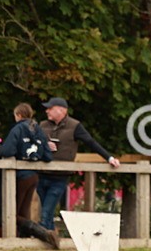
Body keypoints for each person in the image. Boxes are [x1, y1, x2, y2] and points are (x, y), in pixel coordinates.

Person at [37, 97, 120, 232]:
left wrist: (109, 157)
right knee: (48, 211)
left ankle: (42, 236)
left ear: (61, 110)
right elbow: (33, 144)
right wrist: (44, 145)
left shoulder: (74, 126)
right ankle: (50, 239)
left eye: (50, 108)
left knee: (46, 211)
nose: (47, 111)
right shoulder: (42, 125)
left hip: (60, 176)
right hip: (42, 174)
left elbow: (91, 143)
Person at [2, 103, 58, 247]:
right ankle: (25, 241)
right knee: (23, 210)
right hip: (34, 177)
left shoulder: (18, 129)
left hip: (21, 176)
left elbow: (7, 150)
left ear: (18, 115)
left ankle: (45, 234)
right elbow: (47, 156)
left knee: (12, 213)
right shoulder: (38, 129)